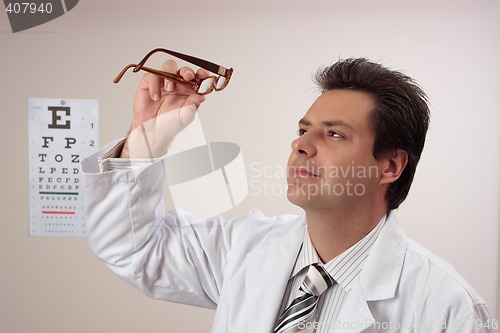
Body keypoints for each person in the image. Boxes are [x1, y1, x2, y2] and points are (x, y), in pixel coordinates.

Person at [81, 55, 497, 333]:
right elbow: (134, 248)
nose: (301, 145)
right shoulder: (244, 249)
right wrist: (148, 138)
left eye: (334, 133)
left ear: (390, 166)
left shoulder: (448, 309)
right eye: (303, 130)